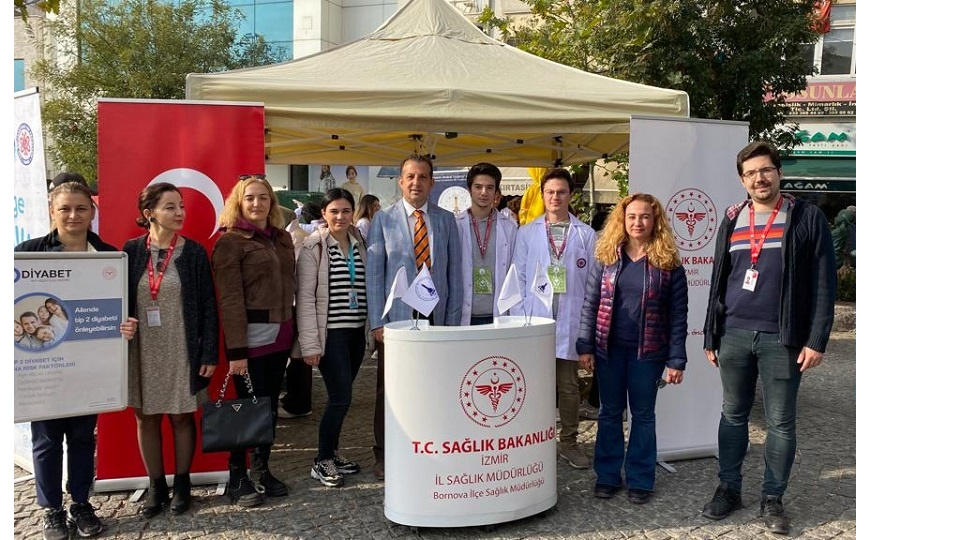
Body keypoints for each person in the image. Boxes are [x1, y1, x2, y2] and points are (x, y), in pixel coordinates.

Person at [701, 141, 836, 535]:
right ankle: (729, 489)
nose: (758, 178)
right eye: (750, 173)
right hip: (734, 333)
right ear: (742, 181)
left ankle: (772, 498)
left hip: (783, 338)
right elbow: (718, 279)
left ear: (779, 172)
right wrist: (711, 332)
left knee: (780, 423)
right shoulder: (732, 218)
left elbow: (824, 282)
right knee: (732, 415)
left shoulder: (806, 217)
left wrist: (817, 339)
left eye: (765, 170)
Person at [14, 180, 138, 540]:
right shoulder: (27, 254)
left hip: (88, 367)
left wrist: (128, 324)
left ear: (92, 211)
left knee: (83, 438)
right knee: (47, 441)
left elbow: (125, 307)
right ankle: (51, 509)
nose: (73, 215)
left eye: (81, 208)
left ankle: (81, 503)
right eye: (65, 208)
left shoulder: (109, 256)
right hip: (43, 370)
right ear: (52, 211)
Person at [576, 193, 688, 504]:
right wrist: (585, 345)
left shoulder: (669, 264)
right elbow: (590, 305)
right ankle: (608, 475)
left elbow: (679, 316)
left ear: (656, 221)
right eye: (632, 216)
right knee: (609, 413)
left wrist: (676, 359)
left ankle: (640, 478)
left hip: (648, 354)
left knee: (643, 415)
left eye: (645, 216)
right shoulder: (606, 258)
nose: (638, 222)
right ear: (622, 221)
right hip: (608, 351)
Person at [123, 182, 220, 517]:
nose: (180, 212)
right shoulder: (131, 251)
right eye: (170, 207)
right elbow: (119, 300)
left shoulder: (193, 252)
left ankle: (182, 483)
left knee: (182, 416)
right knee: (146, 416)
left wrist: (209, 352)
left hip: (182, 347)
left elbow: (209, 306)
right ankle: (156, 485)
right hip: (142, 349)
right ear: (149, 213)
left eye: (181, 206)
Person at [365, 153, 463, 480]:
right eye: (410, 176)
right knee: (390, 389)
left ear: (432, 183)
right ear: (400, 181)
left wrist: (452, 324)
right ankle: (385, 452)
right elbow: (374, 274)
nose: (416, 183)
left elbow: (454, 273)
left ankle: (429, 445)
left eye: (422, 177)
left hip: (436, 316)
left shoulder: (446, 220)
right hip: (397, 319)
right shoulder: (383, 220)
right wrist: (378, 322)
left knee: (434, 385)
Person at [211, 174, 297, 507]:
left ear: (271, 203)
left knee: (269, 407)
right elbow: (230, 300)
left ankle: (262, 469)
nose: (257, 203)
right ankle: (237, 476)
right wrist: (237, 351)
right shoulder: (230, 242)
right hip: (250, 339)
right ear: (239, 203)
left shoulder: (281, 237)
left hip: (282, 334)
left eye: (263, 197)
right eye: (249, 198)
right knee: (247, 409)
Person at [512, 168, 597, 470]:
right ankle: (535, 441)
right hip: (536, 321)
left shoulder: (585, 234)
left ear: (570, 195)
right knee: (535, 386)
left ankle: (569, 442)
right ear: (542, 194)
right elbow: (519, 277)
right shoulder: (526, 233)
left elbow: (592, 283)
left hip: (570, 321)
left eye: (561, 192)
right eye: (550, 192)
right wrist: (520, 320)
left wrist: (588, 328)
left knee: (569, 387)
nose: (555, 197)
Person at [296, 188, 368, 488]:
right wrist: (310, 345)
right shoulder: (313, 246)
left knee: (343, 397)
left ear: (353, 213)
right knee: (340, 398)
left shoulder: (360, 243)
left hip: (356, 333)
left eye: (346, 211)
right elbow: (305, 298)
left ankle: (333, 453)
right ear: (324, 214)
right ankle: (322, 459)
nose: (340, 216)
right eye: (334, 211)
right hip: (331, 335)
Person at [455, 162, 517, 325]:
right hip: (465, 314)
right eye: (478, 187)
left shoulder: (509, 228)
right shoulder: (456, 225)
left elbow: (514, 272)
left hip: (498, 314)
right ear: (469, 189)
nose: (484, 192)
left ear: (496, 192)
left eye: (490, 188)